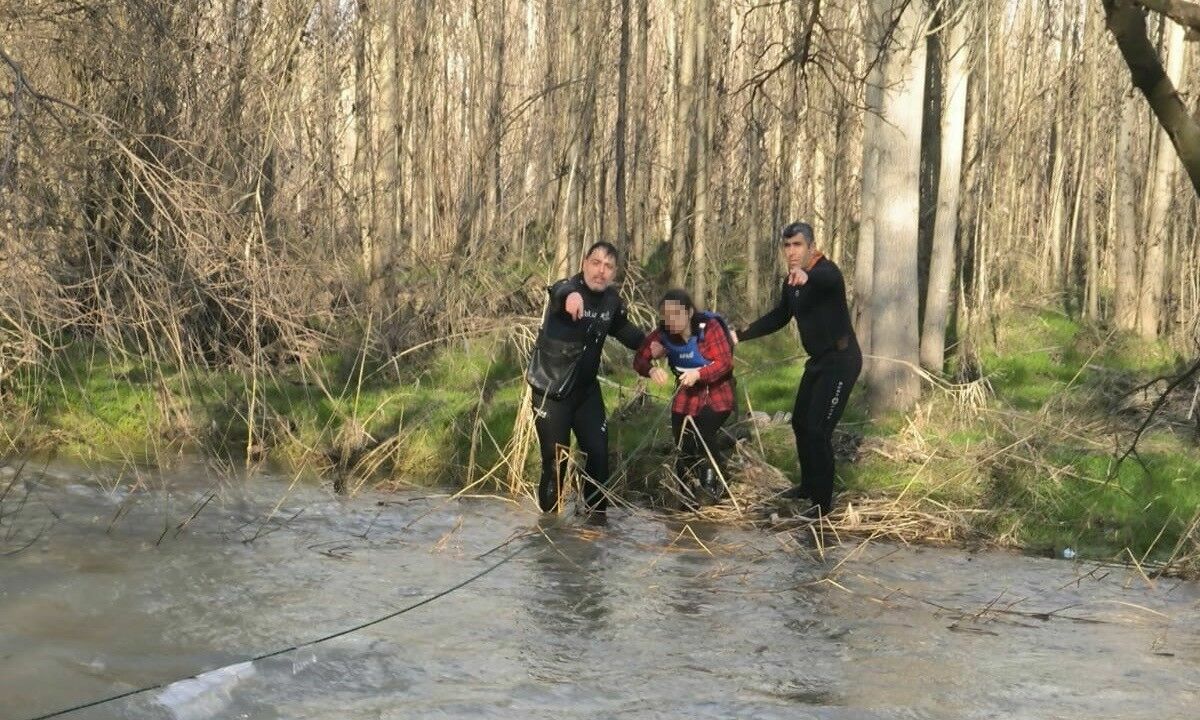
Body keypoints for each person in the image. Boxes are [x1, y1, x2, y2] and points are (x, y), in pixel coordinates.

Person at [734, 222, 861, 516]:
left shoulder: (827, 272)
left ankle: (822, 506)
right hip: (818, 361)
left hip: (841, 362)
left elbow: (824, 281)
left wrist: (807, 276)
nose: (791, 252)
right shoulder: (790, 283)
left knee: (819, 431)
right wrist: (740, 334)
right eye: (787, 246)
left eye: (798, 245)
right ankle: (808, 487)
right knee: (801, 424)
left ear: (811, 246)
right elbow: (780, 316)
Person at [526, 241, 646, 516]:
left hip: (586, 393)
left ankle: (595, 527)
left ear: (614, 273)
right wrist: (570, 296)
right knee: (556, 462)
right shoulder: (568, 290)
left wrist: (652, 345)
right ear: (584, 264)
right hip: (552, 391)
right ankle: (550, 530)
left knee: (599, 457)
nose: (601, 271)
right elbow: (558, 290)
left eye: (608, 267)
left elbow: (623, 328)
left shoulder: (611, 301)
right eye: (596, 263)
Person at [634, 289, 736, 506]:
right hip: (685, 398)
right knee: (683, 444)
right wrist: (651, 370)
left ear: (689, 312)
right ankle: (685, 493)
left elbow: (725, 362)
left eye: (676, 314)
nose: (671, 320)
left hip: (717, 395)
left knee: (703, 434)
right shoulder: (661, 335)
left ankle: (711, 485)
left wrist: (699, 374)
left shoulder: (709, 328)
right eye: (666, 315)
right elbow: (639, 360)